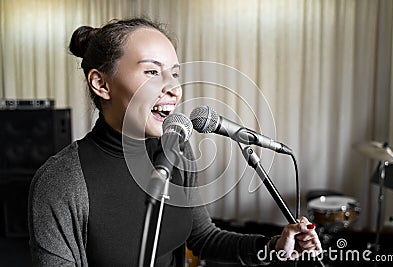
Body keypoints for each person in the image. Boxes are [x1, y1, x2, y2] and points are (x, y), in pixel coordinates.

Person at [28, 17, 322, 266]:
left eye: (175, 74)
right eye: (152, 72)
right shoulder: (60, 182)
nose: (174, 89)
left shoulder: (176, 148)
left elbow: (203, 237)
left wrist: (272, 246)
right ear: (102, 84)